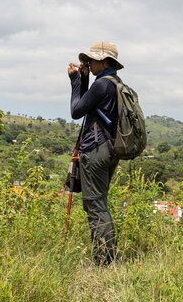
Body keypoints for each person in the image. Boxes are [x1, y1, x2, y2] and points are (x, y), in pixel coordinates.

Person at [67, 41, 123, 266]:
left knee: (95, 205)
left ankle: (105, 262)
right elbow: (86, 107)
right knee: (98, 202)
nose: (88, 63)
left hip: (96, 150)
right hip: (109, 149)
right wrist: (85, 78)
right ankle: (105, 257)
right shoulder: (115, 83)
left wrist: (74, 81)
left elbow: (76, 111)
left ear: (103, 61)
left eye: (91, 60)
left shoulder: (102, 86)